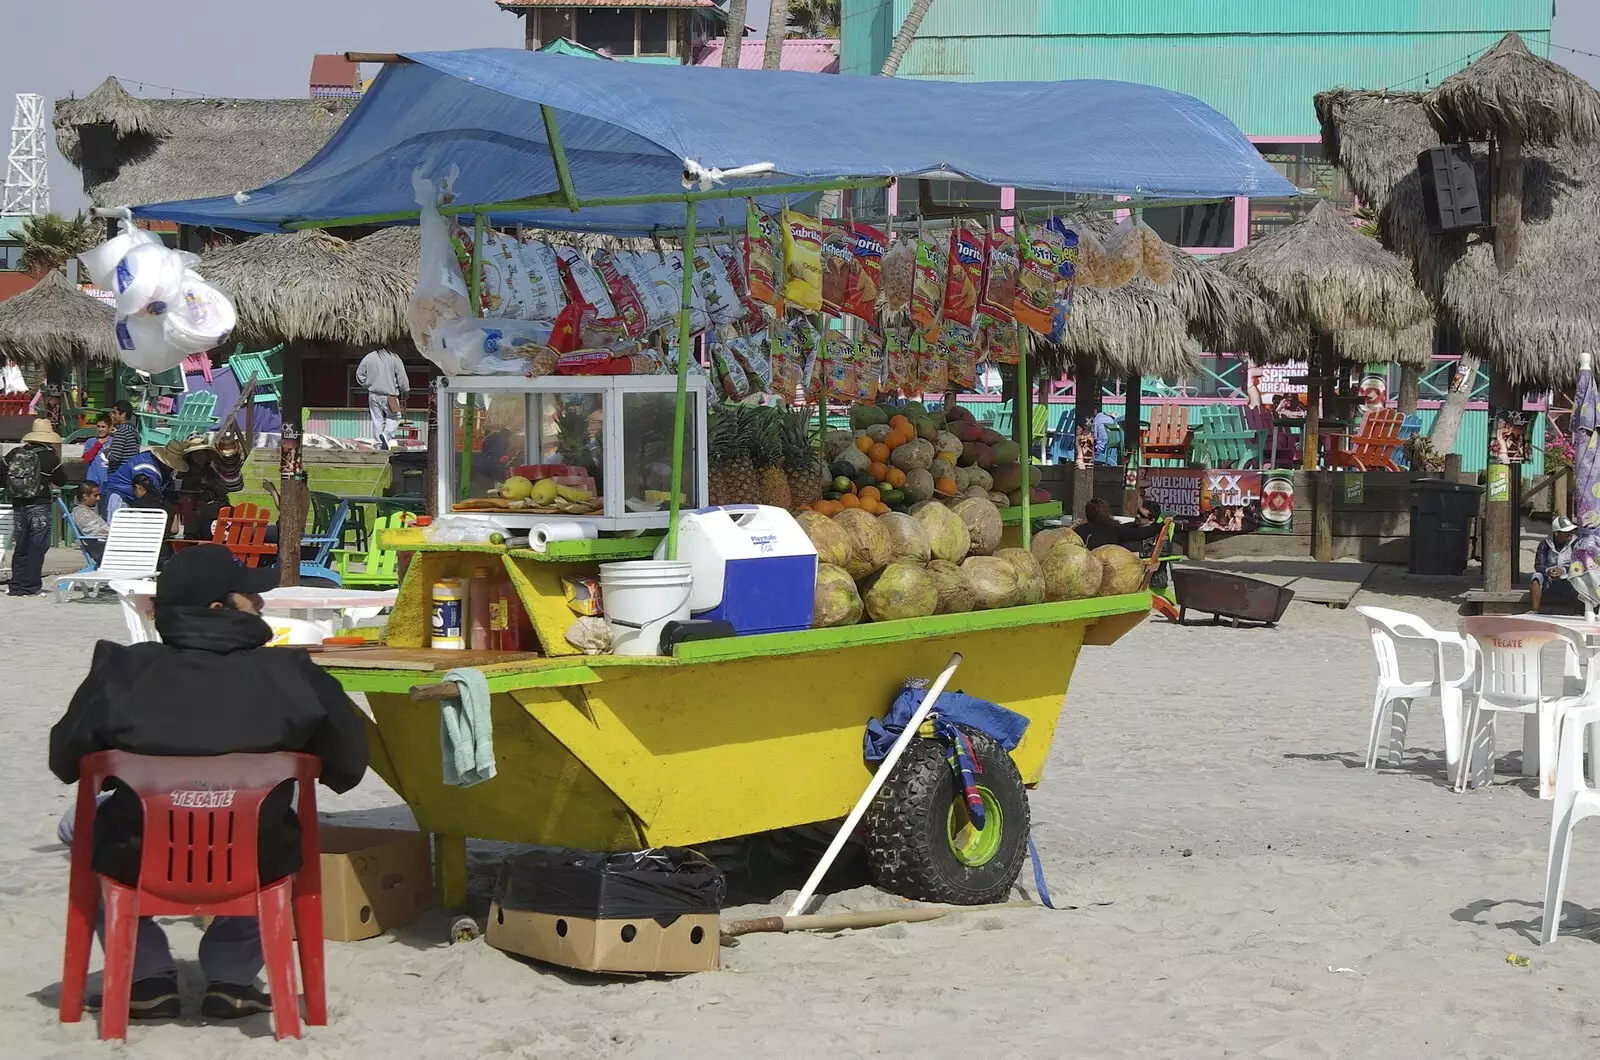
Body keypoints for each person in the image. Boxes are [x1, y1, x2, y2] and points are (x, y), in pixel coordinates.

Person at [49, 545, 369, 1020]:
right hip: (255, 856)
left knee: (75, 826)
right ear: (219, 608)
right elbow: (348, 764)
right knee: (288, 821)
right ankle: (234, 977)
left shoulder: (121, 670)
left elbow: (65, 760)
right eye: (250, 596)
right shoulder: (291, 673)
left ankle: (146, 975)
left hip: (138, 853)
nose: (261, 604)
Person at [2, 418, 68, 596]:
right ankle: (30, 586)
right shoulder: (50, 457)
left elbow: (2, 473)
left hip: (18, 504)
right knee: (37, 546)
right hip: (39, 504)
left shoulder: (16, 452)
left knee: (21, 545)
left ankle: (16, 585)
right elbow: (61, 480)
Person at [104, 442, 185, 520]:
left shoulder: (164, 469)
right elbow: (151, 493)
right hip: (121, 496)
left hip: (134, 499)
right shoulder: (147, 467)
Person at [356, 348, 409, 449]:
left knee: (377, 419)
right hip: (390, 395)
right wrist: (405, 389)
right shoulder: (394, 358)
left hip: (373, 394)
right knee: (395, 416)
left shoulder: (369, 357)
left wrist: (367, 384)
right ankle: (387, 435)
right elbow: (402, 377)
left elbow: (359, 374)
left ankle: (378, 444)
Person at [1075, 496, 1161, 552]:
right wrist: (1161, 525)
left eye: (1142, 515)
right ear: (1107, 512)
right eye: (1138, 512)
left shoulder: (1079, 530)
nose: (1137, 515)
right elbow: (1143, 533)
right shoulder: (1116, 529)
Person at [1532, 516, 1580, 612]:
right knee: (1536, 577)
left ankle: (1578, 611)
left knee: (1578, 578)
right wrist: (1548, 571)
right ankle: (1535, 610)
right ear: (1557, 533)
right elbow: (1539, 565)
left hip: (1568, 581)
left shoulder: (1576, 543)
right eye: (1566, 532)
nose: (1570, 534)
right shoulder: (1545, 544)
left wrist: (1563, 570)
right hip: (1549, 581)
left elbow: (1579, 564)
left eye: (1571, 531)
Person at [70, 483, 110, 561]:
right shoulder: (82, 514)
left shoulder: (86, 511)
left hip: (105, 547)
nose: (98, 498)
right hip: (102, 551)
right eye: (95, 495)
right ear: (85, 496)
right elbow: (94, 532)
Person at [102, 400, 141, 474]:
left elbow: (114, 457)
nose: (112, 416)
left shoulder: (121, 432)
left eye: (114, 413)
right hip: (129, 472)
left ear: (123, 414)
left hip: (119, 475)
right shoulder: (132, 430)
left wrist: (105, 451)